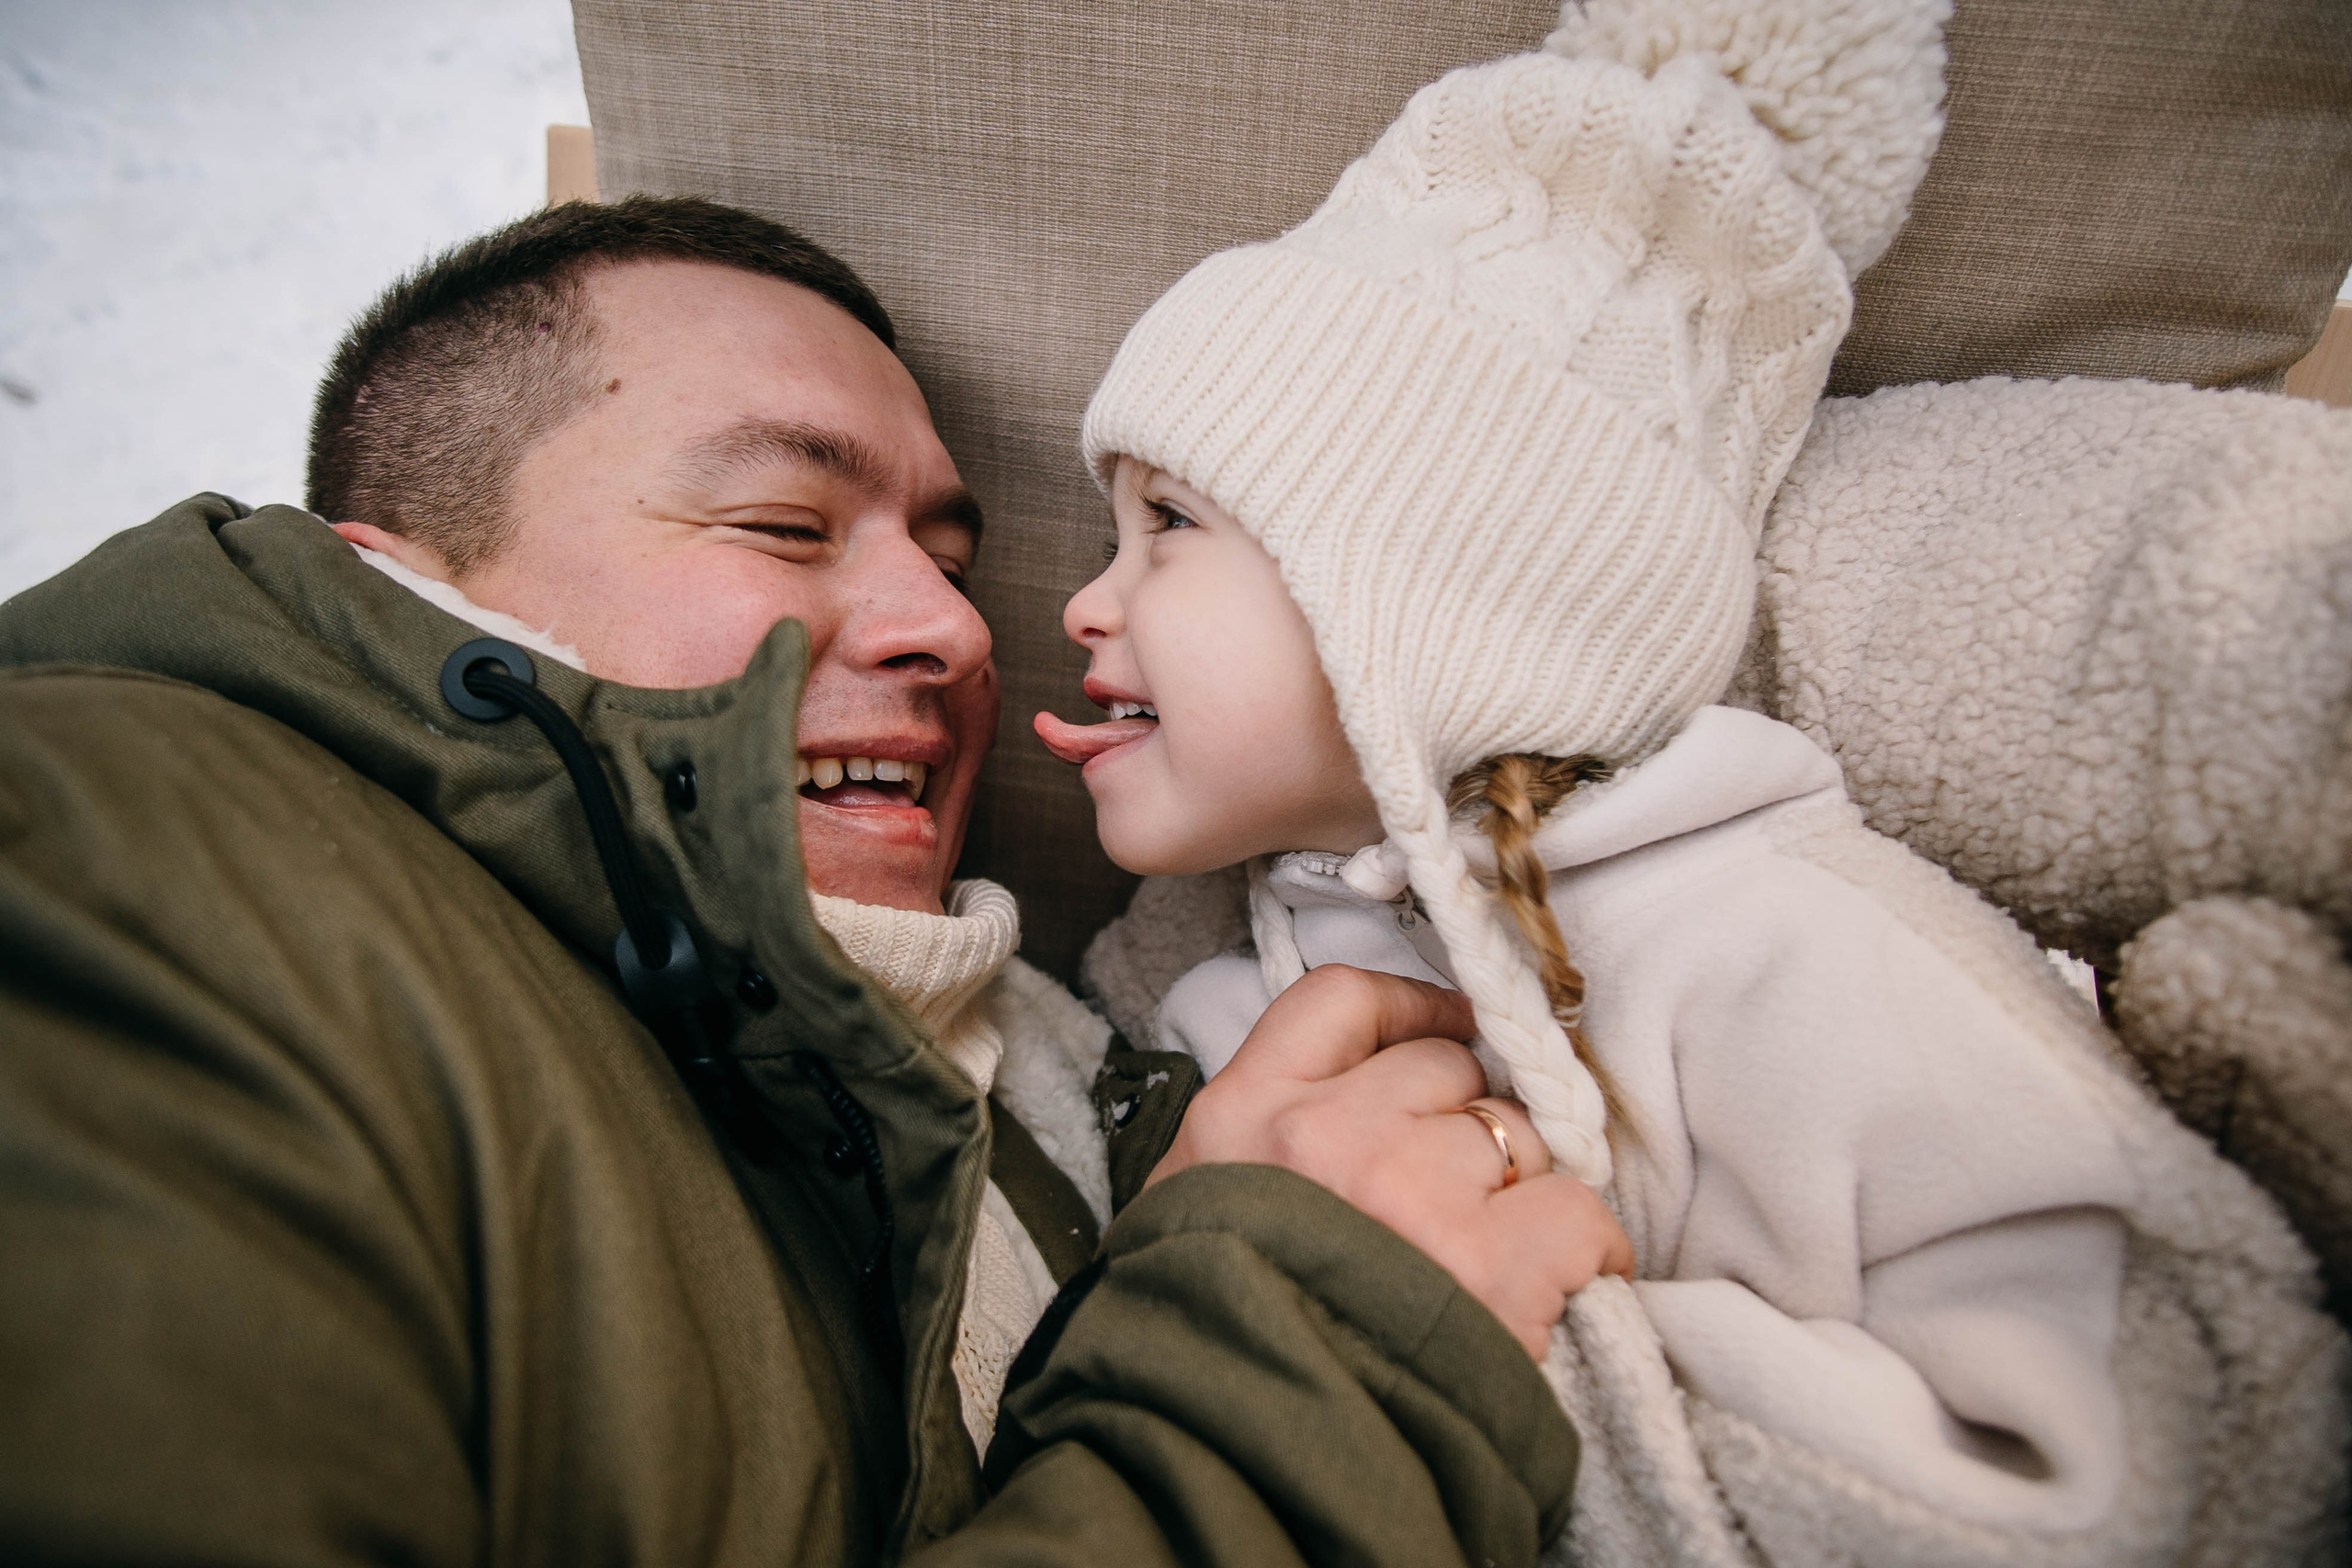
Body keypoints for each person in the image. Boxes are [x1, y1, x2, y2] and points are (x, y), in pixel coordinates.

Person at [0, 195, 1624, 1566]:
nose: (964, 631)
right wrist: (1308, 1385)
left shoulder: (1043, 1058)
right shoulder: (104, 846)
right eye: (786, 524)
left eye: (953, 560)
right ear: (396, 583)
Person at [1036, 0, 2349, 1562]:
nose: (1083, 604)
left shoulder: (1774, 953)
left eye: (1169, 524)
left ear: (1446, 589)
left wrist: (1529, 1381)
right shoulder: (1176, 970)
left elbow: (2127, 1479)